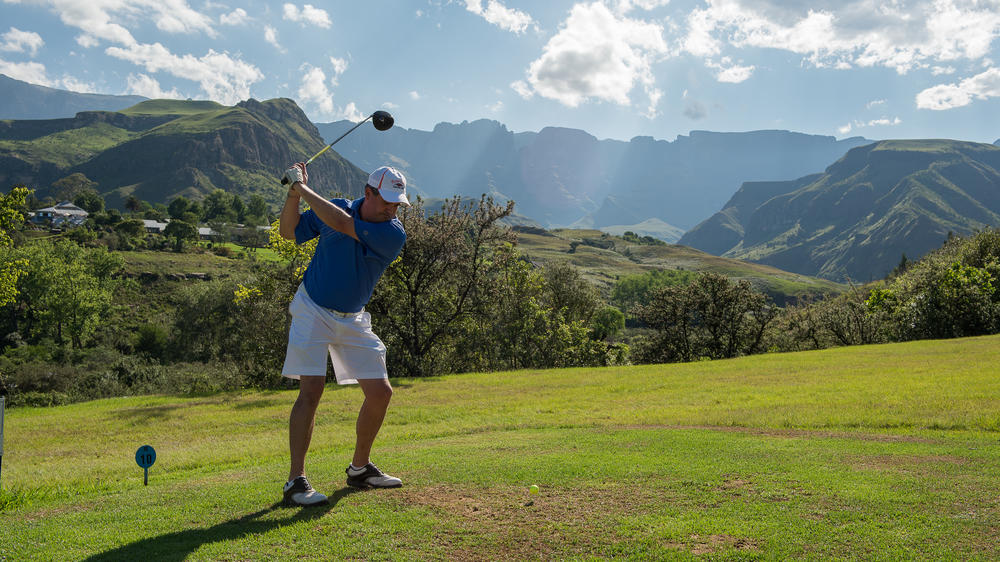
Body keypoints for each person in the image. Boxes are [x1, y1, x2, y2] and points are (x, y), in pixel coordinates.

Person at [278, 162, 409, 506]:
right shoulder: (334, 205)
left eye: (397, 204)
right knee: (311, 390)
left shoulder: (393, 233)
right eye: (387, 202)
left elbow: (341, 223)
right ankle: (295, 482)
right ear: (368, 193)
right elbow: (288, 231)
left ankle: (359, 468)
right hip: (312, 307)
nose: (392, 209)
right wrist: (293, 195)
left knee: (380, 393)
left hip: (352, 318)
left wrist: (302, 188)